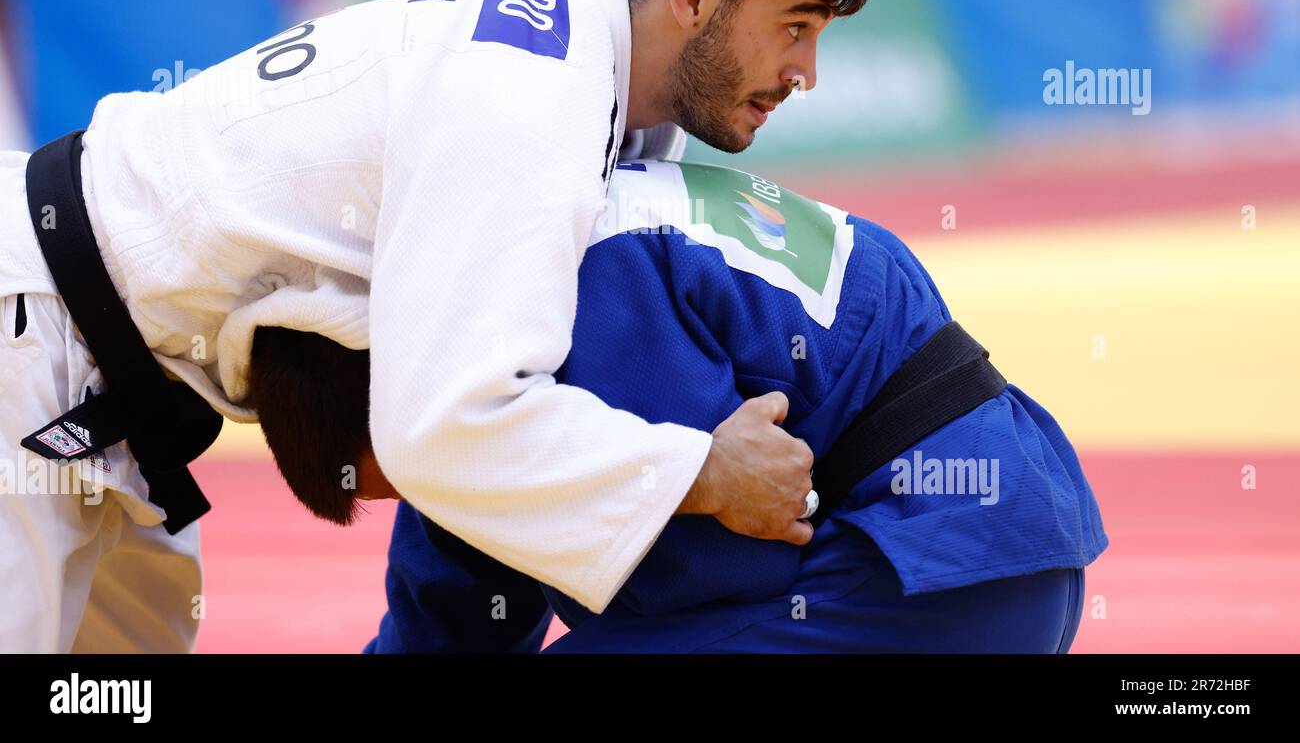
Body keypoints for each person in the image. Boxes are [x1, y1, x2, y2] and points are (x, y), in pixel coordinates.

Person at [0, 0, 870, 651]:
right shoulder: (529, 101)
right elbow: (448, 427)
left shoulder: (577, 66)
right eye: (794, 26)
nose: (807, 73)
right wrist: (705, 474)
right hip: (34, 331)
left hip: (109, 372)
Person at [357, 159, 1108, 653]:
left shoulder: (587, 285)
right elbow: (453, 611)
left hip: (932, 576)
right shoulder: (509, 312)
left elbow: (723, 572)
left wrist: (598, 508)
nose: (802, 74)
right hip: (995, 547)